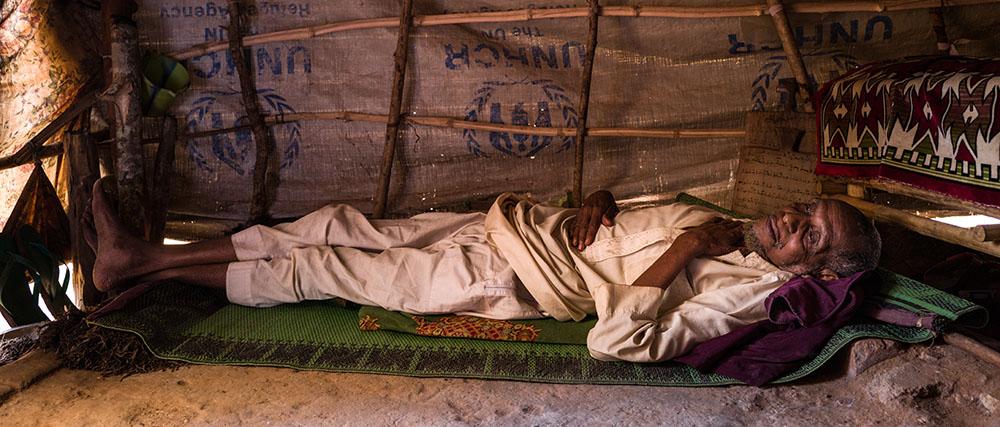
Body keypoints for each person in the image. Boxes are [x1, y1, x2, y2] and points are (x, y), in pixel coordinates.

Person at [85, 181, 881, 363]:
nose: (794, 220)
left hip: (505, 285)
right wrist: (597, 199)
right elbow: (627, 216)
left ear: (812, 266)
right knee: (332, 226)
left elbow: (614, 338)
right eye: (808, 208)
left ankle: (143, 270)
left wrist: (686, 250)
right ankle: (143, 261)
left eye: (810, 233)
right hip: (512, 227)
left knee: (315, 267)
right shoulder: (730, 216)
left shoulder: (744, 294)